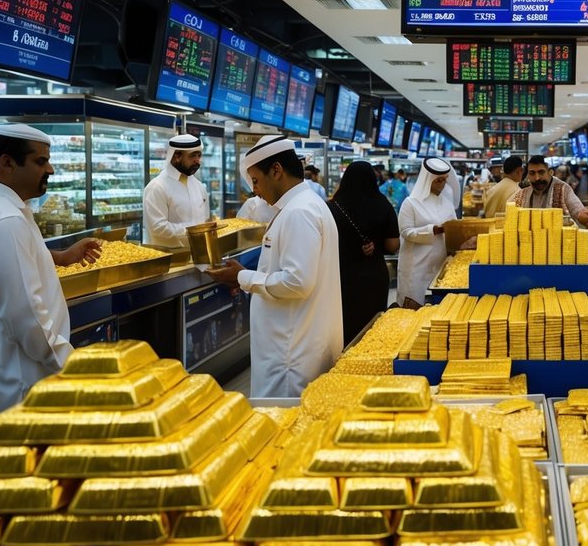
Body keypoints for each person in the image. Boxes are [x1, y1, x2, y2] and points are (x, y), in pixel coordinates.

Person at [0, 124, 102, 451]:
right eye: (41, 162)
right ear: (7, 163)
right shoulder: (4, 221)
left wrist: (60, 258)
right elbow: (27, 318)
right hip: (9, 389)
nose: (50, 169)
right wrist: (76, 369)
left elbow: (9, 266)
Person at [206, 136, 342, 397]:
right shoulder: (305, 206)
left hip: (290, 357)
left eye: (256, 181)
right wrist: (244, 278)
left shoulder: (298, 212)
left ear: (277, 170)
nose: (255, 191)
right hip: (295, 347)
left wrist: (244, 277)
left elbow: (297, 281)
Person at [327, 160, 400, 346]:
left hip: (340, 278)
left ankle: (342, 368)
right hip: (374, 276)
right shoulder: (383, 204)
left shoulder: (331, 207)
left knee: (345, 327)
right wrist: (377, 247)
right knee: (372, 328)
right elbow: (393, 245)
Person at [396, 158, 457, 308]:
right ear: (427, 180)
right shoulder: (410, 203)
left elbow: (454, 229)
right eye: (438, 181)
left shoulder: (447, 204)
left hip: (440, 267)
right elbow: (406, 232)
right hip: (416, 270)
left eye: (444, 180)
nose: (442, 184)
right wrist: (432, 230)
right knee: (413, 312)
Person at [143, 134, 211, 249]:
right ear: (177, 157)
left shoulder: (198, 186)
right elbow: (158, 227)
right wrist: (194, 229)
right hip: (171, 262)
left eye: (199, 155)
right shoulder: (157, 187)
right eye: (192, 156)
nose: (197, 161)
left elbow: (205, 220)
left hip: (200, 256)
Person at [513, 155, 588, 226]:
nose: (537, 178)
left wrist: (582, 214)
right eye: (532, 173)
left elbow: (575, 207)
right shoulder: (523, 194)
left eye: (541, 172)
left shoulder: (563, 188)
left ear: (550, 172)